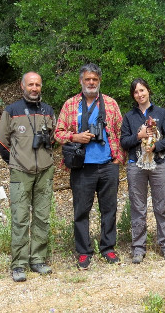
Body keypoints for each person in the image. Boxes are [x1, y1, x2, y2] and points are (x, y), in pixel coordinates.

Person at [54, 63, 126, 270]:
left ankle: (108, 247)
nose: (91, 83)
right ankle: (84, 251)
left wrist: (118, 158)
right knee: (81, 211)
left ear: (99, 81)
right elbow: (58, 133)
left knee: (109, 209)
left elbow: (121, 131)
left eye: (94, 79)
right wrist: (74, 136)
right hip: (81, 166)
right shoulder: (70, 105)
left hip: (107, 165)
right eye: (88, 79)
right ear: (81, 81)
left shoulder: (110, 104)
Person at [0, 71, 56, 282]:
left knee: (42, 217)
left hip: (45, 171)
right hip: (20, 172)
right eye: (30, 84)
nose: (34, 88)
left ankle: (38, 259)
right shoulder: (11, 111)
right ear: (22, 86)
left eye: (37, 85)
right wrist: (14, 161)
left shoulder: (48, 110)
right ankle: (19, 264)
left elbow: (52, 139)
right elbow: (2, 142)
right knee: (20, 219)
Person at [120, 78, 165, 264]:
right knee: (138, 208)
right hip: (136, 165)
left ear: (148, 91)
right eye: (136, 92)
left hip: (159, 164)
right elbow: (124, 142)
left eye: (142, 90)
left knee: (161, 207)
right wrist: (139, 136)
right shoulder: (129, 117)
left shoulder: (161, 113)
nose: (140, 94)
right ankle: (138, 248)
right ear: (133, 96)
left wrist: (157, 146)